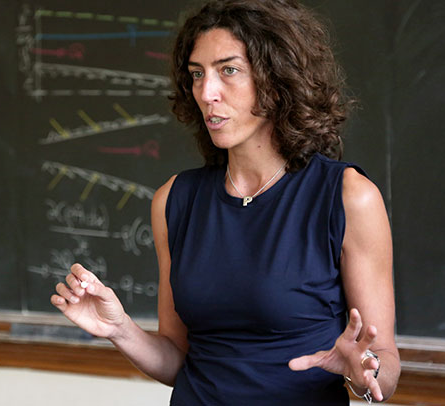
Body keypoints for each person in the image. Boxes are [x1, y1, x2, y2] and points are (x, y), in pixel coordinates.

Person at [51, 0, 400, 404]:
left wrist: (364, 370)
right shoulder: (174, 200)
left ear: (276, 79)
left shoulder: (347, 196)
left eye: (228, 70)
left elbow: (385, 365)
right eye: (197, 74)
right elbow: (177, 360)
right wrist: (119, 329)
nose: (206, 92)